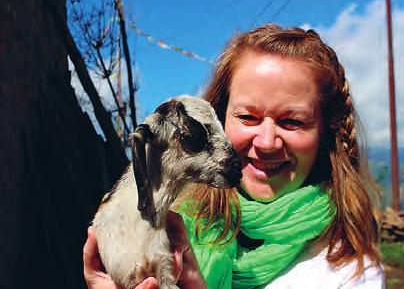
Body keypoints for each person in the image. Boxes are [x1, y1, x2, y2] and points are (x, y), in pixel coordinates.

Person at [83, 24, 385, 288]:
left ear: (325, 134)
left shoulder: (349, 272)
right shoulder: (169, 224)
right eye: (248, 117)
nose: (266, 142)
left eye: (292, 122)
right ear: (219, 119)